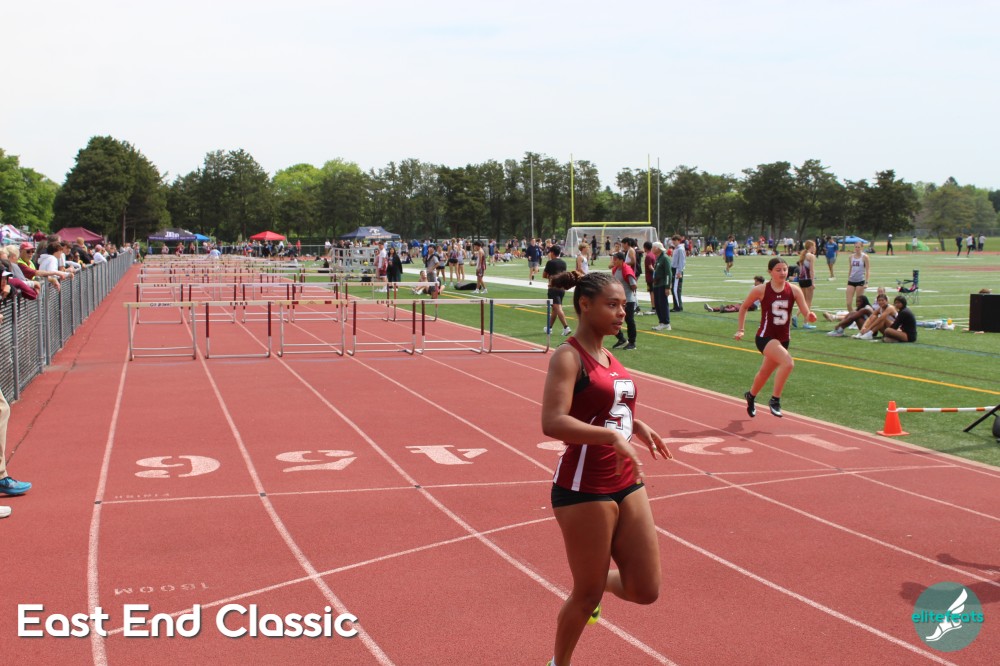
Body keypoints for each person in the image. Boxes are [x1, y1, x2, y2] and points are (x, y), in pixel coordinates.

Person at [541, 269, 672, 666]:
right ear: (585, 305)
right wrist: (612, 437)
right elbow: (553, 422)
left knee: (645, 589)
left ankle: (599, 586)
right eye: (612, 305)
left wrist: (636, 426)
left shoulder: (609, 355)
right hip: (584, 487)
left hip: (627, 481)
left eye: (624, 306)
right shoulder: (568, 356)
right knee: (585, 595)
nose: (622, 313)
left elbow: (608, 406)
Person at [734, 257, 816, 418]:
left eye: (785, 269)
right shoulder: (761, 290)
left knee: (764, 373)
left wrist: (810, 316)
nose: (783, 273)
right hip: (765, 337)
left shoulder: (794, 290)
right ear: (770, 272)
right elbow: (743, 307)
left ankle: (750, 396)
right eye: (778, 270)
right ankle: (775, 400)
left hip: (783, 339)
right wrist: (741, 329)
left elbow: (805, 312)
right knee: (788, 363)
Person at [610, 252, 638, 350]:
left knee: (629, 320)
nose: (613, 261)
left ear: (621, 260)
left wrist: (627, 293)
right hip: (619, 301)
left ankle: (632, 343)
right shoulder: (615, 269)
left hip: (628, 300)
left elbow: (634, 285)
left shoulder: (627, 270)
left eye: (615, 259)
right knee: (612, 319)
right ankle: (621, 339)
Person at [543, 246, 572, 336]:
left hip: (553, 288)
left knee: (558, 308)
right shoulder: (563, 263)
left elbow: (544, 275)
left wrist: (551, 277)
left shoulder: (550, 262)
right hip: (561, 288)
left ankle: (566, 327)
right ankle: (549, 327)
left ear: (552, 253)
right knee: (555, 308)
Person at [795, 240, 817, 329]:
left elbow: (800, 270)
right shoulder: (811, 256)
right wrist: (813, 282)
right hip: (808, 280)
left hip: (801, 280)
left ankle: (796, 316)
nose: (815, 248)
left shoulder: (803, 255)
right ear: (811, 246)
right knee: (808, 302)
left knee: (803, 301)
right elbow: (811, 270)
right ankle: (805, 322)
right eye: (814, 246)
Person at [844, 241, 870, 313]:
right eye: (856, 247)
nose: (857, 249)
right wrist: (848, 278)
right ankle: (852, 315)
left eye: (859, 247)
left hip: (860, 281)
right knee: (848, 303)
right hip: (851, 280)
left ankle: (857, 317)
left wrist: (866, 282)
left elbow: (867, 270)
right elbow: (850, 268)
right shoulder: (851, 257)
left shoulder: (865, 257)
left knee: (859, 303)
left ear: (862, 248)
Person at [650, 242, 671, 331]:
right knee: (658, 304)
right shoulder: (658, 258)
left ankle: (666, 323)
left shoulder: (665, 258)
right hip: (657, 284)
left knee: (662, 304)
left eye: (653, 247)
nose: (652, 249)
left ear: (658, 248)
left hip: (662, 284)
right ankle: (661, 322)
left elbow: (668, 273)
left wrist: (667, 287)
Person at [670, 235, 685, 312]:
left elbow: (682, 261)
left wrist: (679, 272)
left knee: (675, 289)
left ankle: (678, 306)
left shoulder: (680, 249)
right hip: (673, 269)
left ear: (679, 240)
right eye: (673, 240)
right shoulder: (676, 249)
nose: (673, 242)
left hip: (677, 270)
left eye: (675, 240)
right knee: (673, 289)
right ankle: (676, 305)